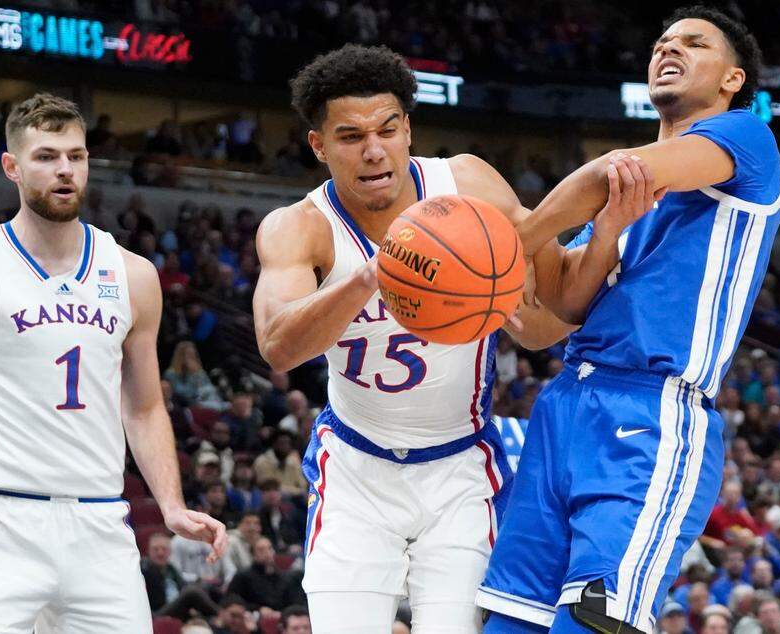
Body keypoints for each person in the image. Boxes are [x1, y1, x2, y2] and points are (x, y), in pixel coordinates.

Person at [252, 44, 612, 632]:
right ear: (318, 145)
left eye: (388, 129)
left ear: (408, 130)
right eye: (349, 137)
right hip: (355, 469)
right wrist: (374, 274)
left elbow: (545, 328)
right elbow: (278, 346)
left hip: (460, 468)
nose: (374, 150)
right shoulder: (300, 227)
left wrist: (598, 242)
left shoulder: (467, 184)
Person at [480, 6, 780, 631]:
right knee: (513, 621)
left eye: (694, 44)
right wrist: (598, 233)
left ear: (732, 79)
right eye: (662, 42)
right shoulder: (620, 199)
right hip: (567, 400)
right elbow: (566, 303)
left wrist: (514, 235)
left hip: (649, 411)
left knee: (595, 620)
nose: (669, 50)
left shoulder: (745, 136)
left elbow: (612, 169)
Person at [0, 93, 227, 630]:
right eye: (46, 156)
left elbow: (146, 405)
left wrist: (171, 506)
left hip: (101, 520)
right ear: (11, 167)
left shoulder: (133, 274)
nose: (64, 170)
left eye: (76, 156)